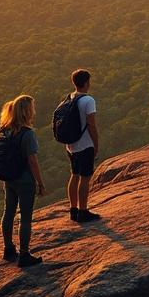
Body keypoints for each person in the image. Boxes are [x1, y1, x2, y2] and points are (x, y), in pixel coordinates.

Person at [0, 94, 45, 267]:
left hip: (8, 178)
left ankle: (8, 249)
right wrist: (40, 182)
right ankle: (24, 255)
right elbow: (32, 160)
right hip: (24, 179)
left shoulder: (5, 129)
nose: (34, 111)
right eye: (32, 108)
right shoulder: (27, 133)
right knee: (25, 217)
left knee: (8, 212)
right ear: (27, 111)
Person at [64, 69, 101, 223]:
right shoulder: (88, 100)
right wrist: (96, 144)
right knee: (85, 178)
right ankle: (83, 211)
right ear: (86, 83)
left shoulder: (69, 98)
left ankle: (73, 210)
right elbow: (91, 125)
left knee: (74, 175)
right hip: (85, 144)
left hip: (71, 144)